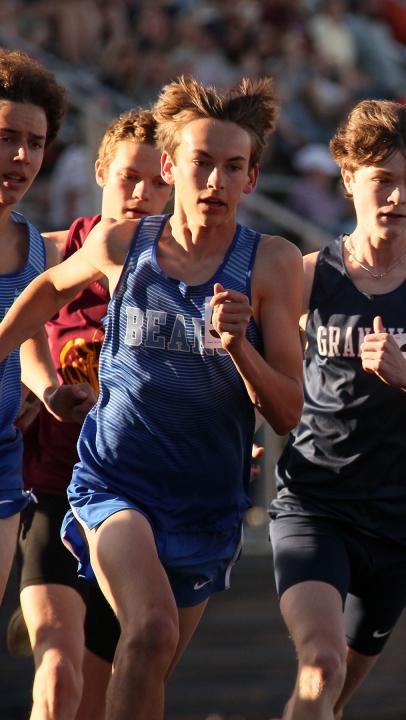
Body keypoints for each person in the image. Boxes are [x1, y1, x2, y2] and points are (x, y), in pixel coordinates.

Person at [0, 75, 304, 720]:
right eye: (201, 163)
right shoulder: (120, 244)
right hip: (113, 482)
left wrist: (241, 347)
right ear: (172, 166)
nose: (215, 181)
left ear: (251, 180)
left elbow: (287, 410)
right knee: (152, 629)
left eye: (233, 167)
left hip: (206, 502)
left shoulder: (272, 264)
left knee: (147, 660)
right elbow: (49, 289)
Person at [268, 99, 406, 720]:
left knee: (332, 695)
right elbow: (275, 383)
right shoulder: (308, 276)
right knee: (320, 664)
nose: (397, 197)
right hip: (314, 499)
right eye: (382, 180)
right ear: (348, 179)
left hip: (400, 515)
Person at [12, 108, 172, 720]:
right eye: (130, 177)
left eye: (159, 182)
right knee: (57, 675)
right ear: (101, 171)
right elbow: (23, 324)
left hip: (138, 501)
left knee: (103, 698)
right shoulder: (54, 250)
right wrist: (45, 386)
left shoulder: (180, 274)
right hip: (54, 489)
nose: (142, 194)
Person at [0, 50, 95, 608]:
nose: (21, 156)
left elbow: (31, 335)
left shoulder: (35, 244)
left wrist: (47, 389)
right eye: (7, 136)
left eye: (35, 143)